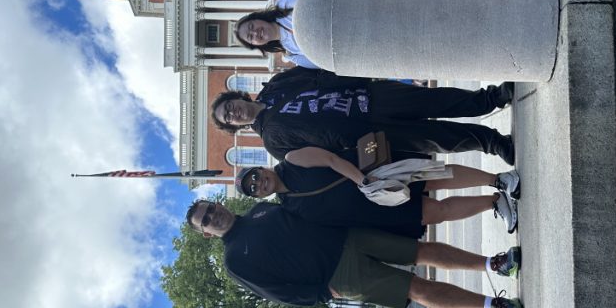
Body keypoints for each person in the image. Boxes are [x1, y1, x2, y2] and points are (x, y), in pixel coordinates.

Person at [186, 199, 524, 308]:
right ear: (206, 234)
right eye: (207, 220)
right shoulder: (234, 261)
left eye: (211, 208)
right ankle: (493, 305)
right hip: (339, 276)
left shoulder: (262, 209)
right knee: (415, 288)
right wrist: (321, 294)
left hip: (349, 237)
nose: (214, 216)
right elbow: (276, 292)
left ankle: (493, 265)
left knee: (421, 250)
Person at [210, 66, 516, 163]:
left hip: (368, 97)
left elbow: (317, 72)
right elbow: (317, 157)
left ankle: (491, 98)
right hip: (362, 135)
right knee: (434, 140)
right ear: (235, 126)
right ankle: (492, 143)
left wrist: (360, 77)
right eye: (229, 118)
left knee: (435, 100)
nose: (234, 113)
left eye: (230, 106)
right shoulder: (273, 143)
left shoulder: (276, 85)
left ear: (237, 97)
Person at [235, 147, 521, 233]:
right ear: (259, 196)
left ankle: (497, 178)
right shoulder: (287, 205)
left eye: (255, 177)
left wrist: (362, 181)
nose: (258, 184)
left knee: (436, 178)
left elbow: (332, 159)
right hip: (373, 210)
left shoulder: (291, 161)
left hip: (373, 176)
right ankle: (494, 202)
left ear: (261, 169)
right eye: (254, 189)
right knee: (436, 213)